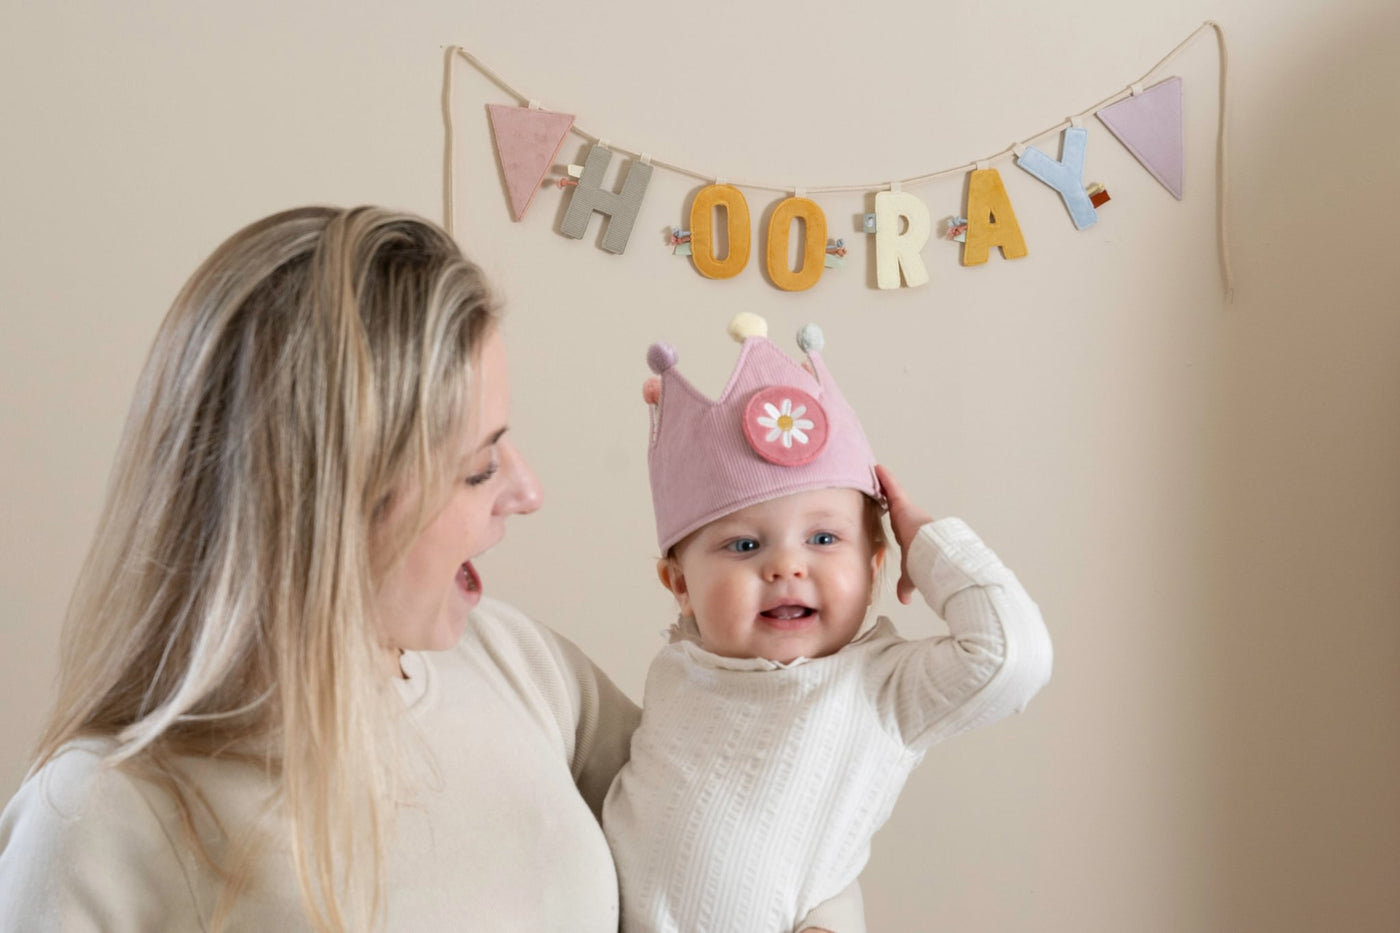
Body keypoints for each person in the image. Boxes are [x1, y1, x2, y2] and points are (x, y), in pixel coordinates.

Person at [0, 208, 864, 932]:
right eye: (479, 467)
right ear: (329, 502)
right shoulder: (101, 818)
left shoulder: (519, 663)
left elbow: (754, 816)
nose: (527, 491)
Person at [602, 314, 1055, 933]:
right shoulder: (678, 671)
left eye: (823, 538)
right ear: (680, 586)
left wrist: (925, 542)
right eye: (743, 545)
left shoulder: (881, 688)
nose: (787, 566)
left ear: (873, 567)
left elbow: (1013, 657)